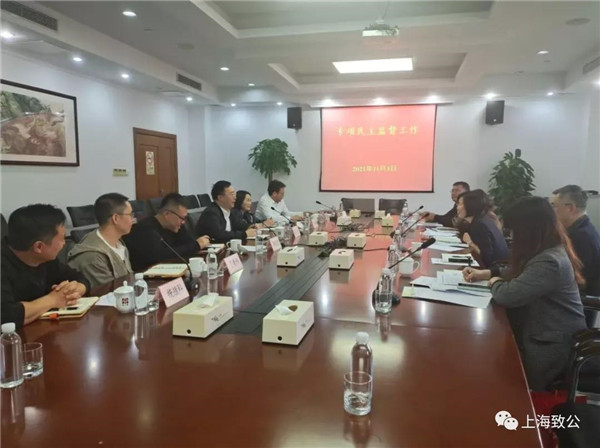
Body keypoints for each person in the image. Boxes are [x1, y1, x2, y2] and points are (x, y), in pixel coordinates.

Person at [462, 197, 589, 391]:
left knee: (488, 369)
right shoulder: (546, 250)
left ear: (529, 230)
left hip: (550, 344)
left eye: (515, 231)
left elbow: (508, 296)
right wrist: (488, 273)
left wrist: (495, 281)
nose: (513, 237)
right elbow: (522, 272)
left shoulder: (550, 261)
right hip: (535, 328)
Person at [1, 204, 90, 327]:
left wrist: (76, 289)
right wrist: (53, 300)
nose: (64, 243)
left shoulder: (46, 259)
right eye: (62, 238)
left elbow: (79, 277)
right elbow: (7, 316)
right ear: (38, 246)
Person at [125, 193, 210, 270]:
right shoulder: (146, 229)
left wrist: (199, 244)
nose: (183, 222)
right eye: (182, 218)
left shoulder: (176, 226)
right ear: (167, 214)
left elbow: (189, 242)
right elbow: (161, 255)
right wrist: (196, 245)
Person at [68, 193, 134, 288]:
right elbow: (108, 292)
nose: (133, 219)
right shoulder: (93, 256)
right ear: (116, 218)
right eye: (130, 214)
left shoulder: (119, 243)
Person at [551, 185, 600, 296]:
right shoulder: (586, 229)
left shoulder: (580, 237)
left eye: (554, 206)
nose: (552, 211)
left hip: (580, 301)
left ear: (571, 208)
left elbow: (573, 279)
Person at [457, 189, 509, 268]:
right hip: (497, 266)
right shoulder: (481, 219)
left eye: (460, 204)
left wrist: (470, 242)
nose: (457, 207)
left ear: (470, 205)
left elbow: (486, 258)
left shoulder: (480, 225)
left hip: (495, 268)